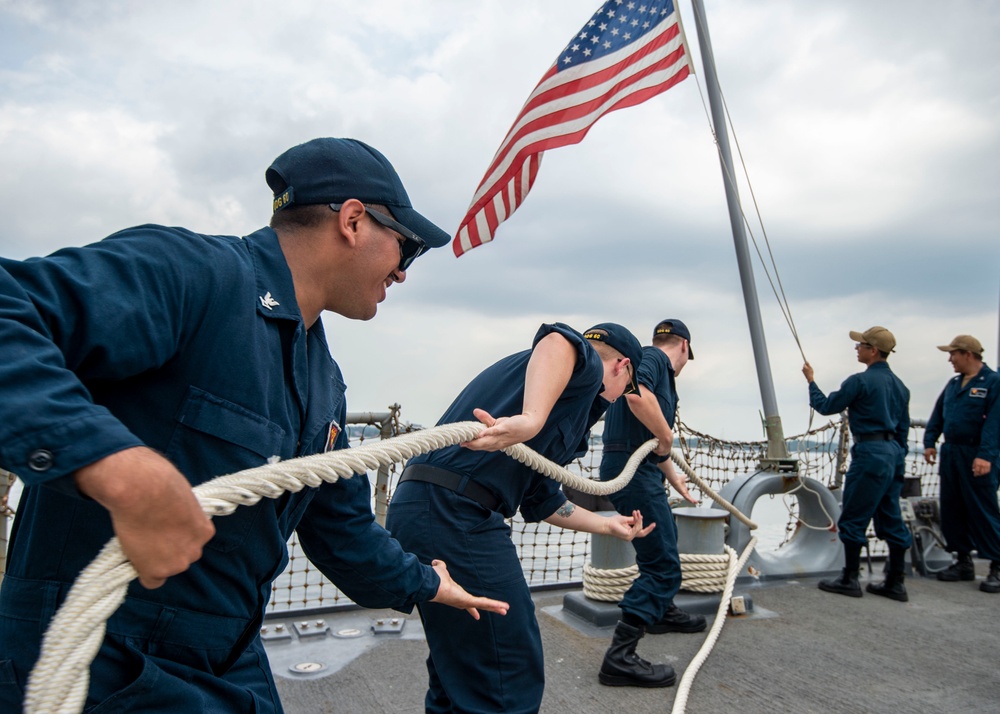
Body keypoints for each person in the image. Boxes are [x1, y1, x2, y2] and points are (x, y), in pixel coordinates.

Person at [0, 137, 509, 712]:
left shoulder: (324, 384)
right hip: (98, 654)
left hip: (232, 651)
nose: (402, 274)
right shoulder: (192, 275)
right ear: (352, 221)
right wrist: (113, 465)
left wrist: (427, 583)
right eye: (406, 248)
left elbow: (341, 531)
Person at [385, 322, 656, 714]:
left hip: (424, 508)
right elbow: (559, 340)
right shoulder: (581, 369)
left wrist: (606, 524)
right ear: (621, 366)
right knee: (506, 672)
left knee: (460, 666)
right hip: (455, 514)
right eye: (629, 388)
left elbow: (543, 500)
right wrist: (531, 418)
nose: (620, 400)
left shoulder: (562, 400)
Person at [597, 318, 704, 689]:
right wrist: (667, 434)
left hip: (639, 467)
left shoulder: (651, 363)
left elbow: (654, 445)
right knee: (663, 567)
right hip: (633, 471)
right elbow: (635, 395)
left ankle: (661, 612)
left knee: (664, 540)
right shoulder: (656, 360)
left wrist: (676, 480)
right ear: (685, 347)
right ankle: (619, 657)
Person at [802, 326, 912, 601]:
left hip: (870, 453)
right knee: (890, 515)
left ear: (873, 350)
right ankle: (895, 582)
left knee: (853, 516)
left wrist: (811, 382)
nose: (856, 348)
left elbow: (827, 406)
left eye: (861, 345)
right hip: (893, 454)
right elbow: (903, 430)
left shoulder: (859, 382)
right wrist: (897, 455)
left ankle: (850, 578)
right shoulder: (902, 387)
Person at [923, 335, 1000, 594]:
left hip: (976, 453)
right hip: (952, 452)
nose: (950, 359)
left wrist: (985, 455)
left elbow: (995, 423)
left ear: (968, 354)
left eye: (953, 353)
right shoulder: (954, 384)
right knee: (953, 507)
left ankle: (997, 567)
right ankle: (962, 560)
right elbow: (939, 414)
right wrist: (930, 440)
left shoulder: (993, 383)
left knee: (983, 509)